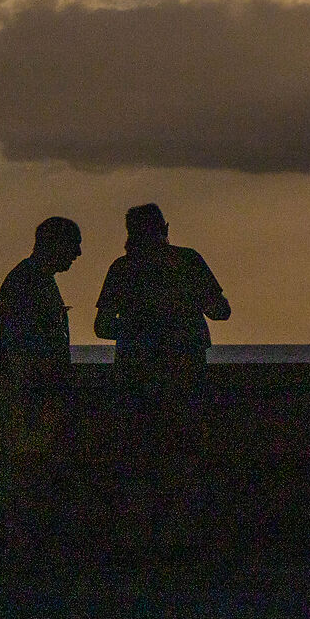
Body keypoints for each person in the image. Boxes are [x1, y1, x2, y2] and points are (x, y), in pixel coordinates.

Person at [94, 203, 230, 550]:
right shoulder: (188, 261)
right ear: (165, 227)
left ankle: (137, 540)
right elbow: (221, 310)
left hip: (134, 381)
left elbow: (102, 325)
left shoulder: (123, 269)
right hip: (186, 379)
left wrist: (139, 327)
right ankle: (179, 539)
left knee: (138, 462)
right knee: (182, 461)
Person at [0, 216, 83, 554]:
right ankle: (22, 546)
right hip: (30, 392)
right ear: (55, 244)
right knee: (27, 469)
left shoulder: (31, 279)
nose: (77, 253)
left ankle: (22, 544)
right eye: (72, 244)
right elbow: (24, 347)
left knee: (25, 468)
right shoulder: (30, 283)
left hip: (29, 390)